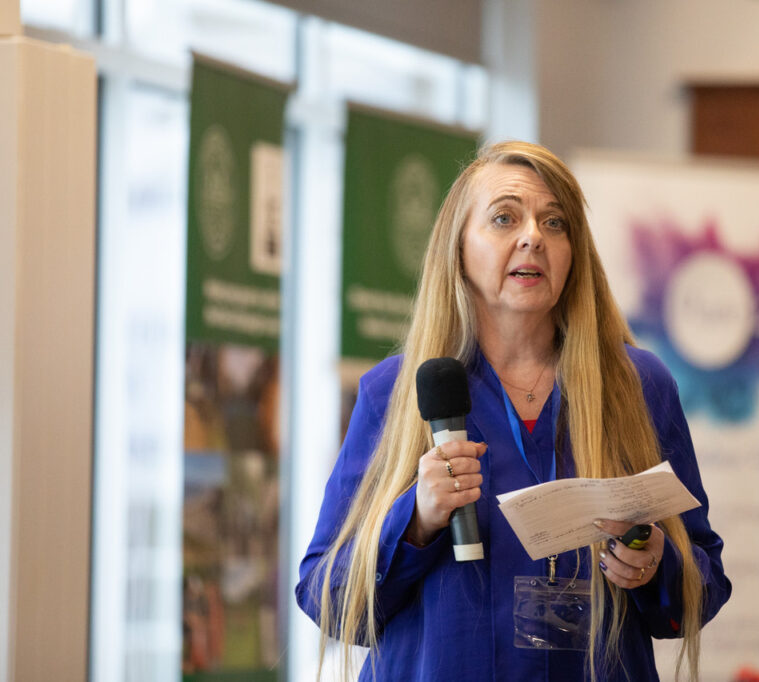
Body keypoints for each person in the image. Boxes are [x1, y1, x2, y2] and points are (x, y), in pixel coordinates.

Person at [296, 141, 730, 681]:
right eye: (504, 218)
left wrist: (654, 562)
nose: (532, 237)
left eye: (555, 223)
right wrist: (418, 521)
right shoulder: (398, 391)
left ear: (574, 254)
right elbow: (325, 594)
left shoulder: (637, 385)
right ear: (458, 248)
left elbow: (703, 585)